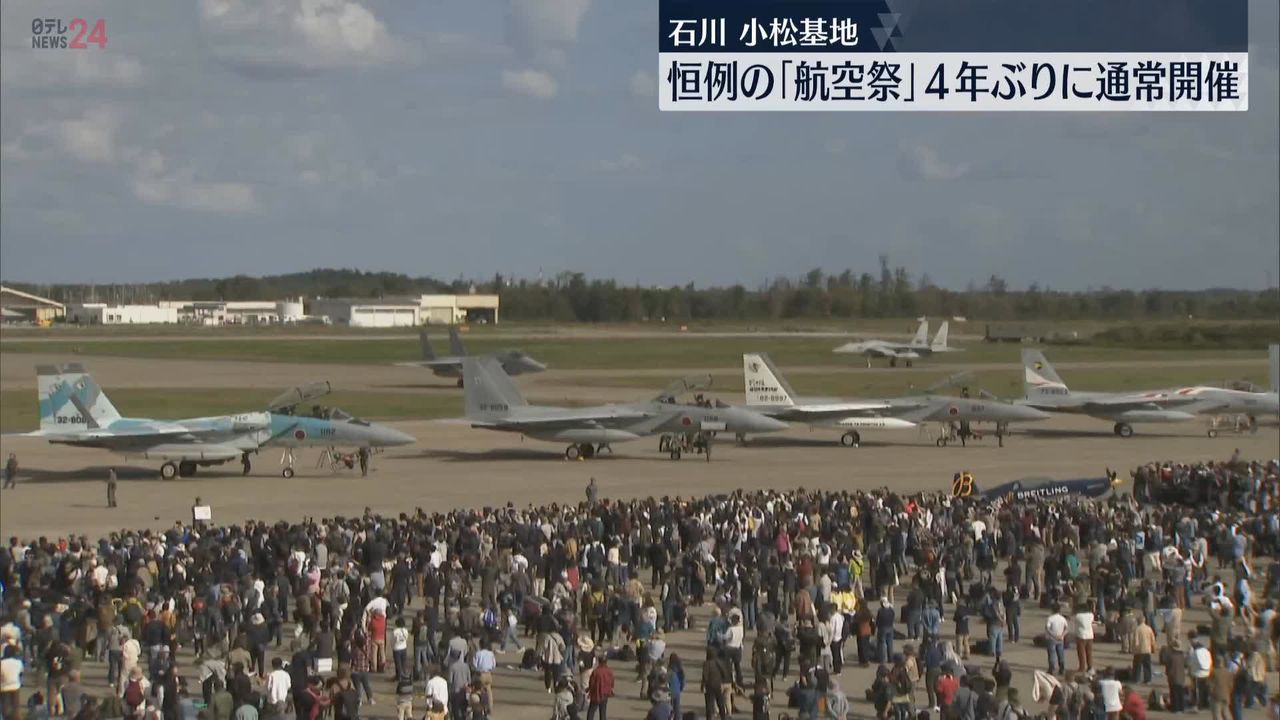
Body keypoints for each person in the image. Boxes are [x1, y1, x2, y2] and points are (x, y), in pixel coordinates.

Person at [587, 655, 614, 720]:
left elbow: (592, 683)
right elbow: (612, 683)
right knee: (603, 712)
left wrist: (589, 690)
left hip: (596, 694)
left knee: (591, 711)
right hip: (605, 694)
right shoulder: (609, 671)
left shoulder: (596, 671)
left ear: (599, 662)